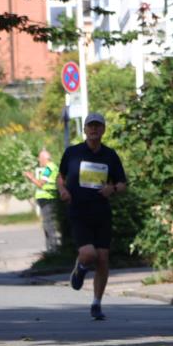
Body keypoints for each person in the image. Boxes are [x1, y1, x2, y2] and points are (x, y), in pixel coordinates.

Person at [58, 113, 127, 321]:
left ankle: (96, 303)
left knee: (103, 259)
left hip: (102, 213)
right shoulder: (73, 153)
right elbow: (60, 177)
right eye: (90, 126)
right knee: (89, 255)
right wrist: (62, 190)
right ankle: (80, 268)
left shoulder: (110, 155)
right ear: (85, 130)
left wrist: (112, 188)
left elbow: (123, 184)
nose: (94, 130)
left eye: (98, 126)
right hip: (79, 211)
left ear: (104, 129)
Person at [24, 148, 61, 252]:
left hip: (47, 199)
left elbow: (41, 183)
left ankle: (52, 249)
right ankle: (51, 249)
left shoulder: (49, 168)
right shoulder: (51, 167)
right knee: (48, 224)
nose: (39, 160)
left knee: (48, 224)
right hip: (47, 199)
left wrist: (31, 177)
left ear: (44, 158)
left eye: (40, 158)